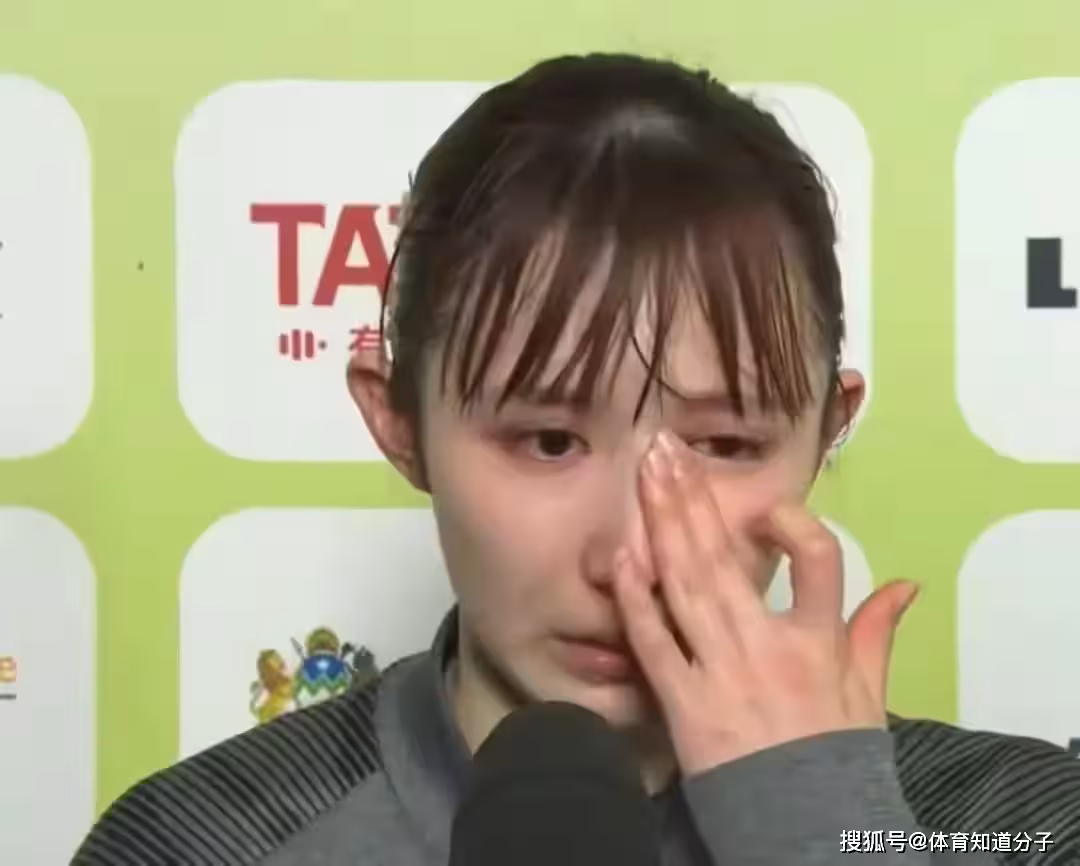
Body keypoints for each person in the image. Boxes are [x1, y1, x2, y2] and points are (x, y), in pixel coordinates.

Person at [73, 52, 1080, 865]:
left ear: (826, 430)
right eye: (548, 440)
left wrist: (821, 831)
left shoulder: (1022, 827)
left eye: (724, 445)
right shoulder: (200, 843)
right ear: (398, 421)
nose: (626, 557)